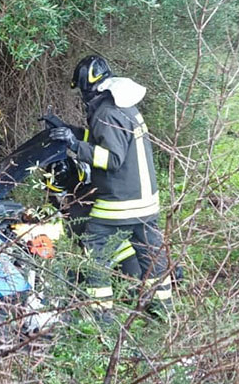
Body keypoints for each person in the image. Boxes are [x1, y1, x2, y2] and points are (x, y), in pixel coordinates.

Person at [45, 55, 173, 320]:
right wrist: (71, 132)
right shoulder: (122, 106)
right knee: (152, 258)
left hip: (121, 203)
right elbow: (106, 141)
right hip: (145, 203)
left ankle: (102, 321)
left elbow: (112, 159)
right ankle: (163, 316)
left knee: (93, 246)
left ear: (88, 88)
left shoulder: (105, 113)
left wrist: (74, 145)